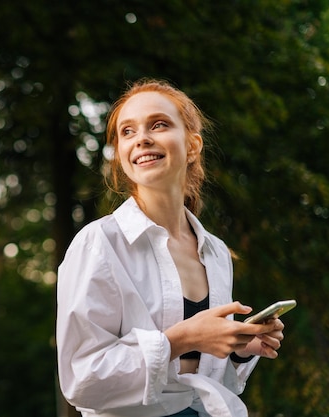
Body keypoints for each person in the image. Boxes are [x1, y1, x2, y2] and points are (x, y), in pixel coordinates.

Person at [56, 79, 286, 417]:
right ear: (120, 154)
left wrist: (241, 346)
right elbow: (82, 380)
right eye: (128, 131)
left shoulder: (217, 252)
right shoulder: (99, 244)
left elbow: (202, 380)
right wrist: (182, 338)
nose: (142, 138)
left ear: (192, 146)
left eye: (159, 124)